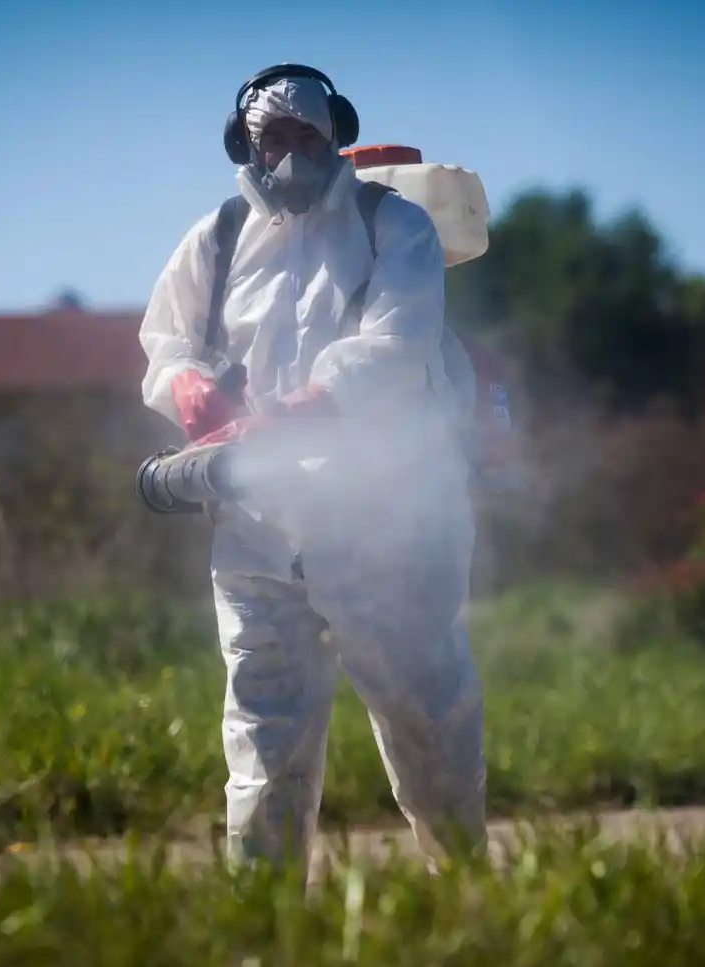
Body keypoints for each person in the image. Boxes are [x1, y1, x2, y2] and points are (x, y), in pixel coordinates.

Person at [137, 64, 487, 871]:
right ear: (245, 146)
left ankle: (467, 891)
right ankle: (265, 938)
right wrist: (187, 387)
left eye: (306, 136)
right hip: (256, 529)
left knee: (426, 722)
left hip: (386, 524)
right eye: (272, 139)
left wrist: (295, 410)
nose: (289, 155)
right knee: (262, 742)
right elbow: (166, 341)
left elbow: (392, 344)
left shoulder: (391, 224)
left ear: (337, 137)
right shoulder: (217, 237)